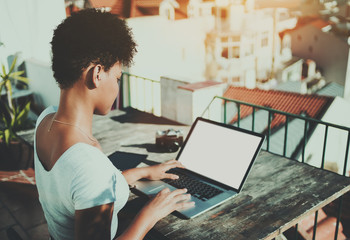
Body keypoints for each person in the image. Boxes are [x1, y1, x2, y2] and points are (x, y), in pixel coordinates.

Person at [34, 8, 194, 240]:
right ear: (97, 74)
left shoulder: (45, 120)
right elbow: (89, 179)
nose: (117, 87)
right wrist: (150, 214)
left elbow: (79, 188)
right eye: (117, 78)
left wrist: (144, 172)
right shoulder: (89, 166)